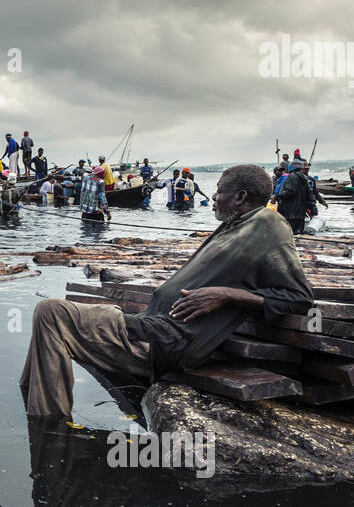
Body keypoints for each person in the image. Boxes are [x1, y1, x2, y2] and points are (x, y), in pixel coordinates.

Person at [20, 164, 313, 418]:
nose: (213, 196)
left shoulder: (267, 225)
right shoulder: (236, 225)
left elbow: (299, 299)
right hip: (153, 327)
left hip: (167, 341)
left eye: (220, 190)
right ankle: (33, 403)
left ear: (240, 197)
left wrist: (225, 295)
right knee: (49, 316)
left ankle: (48, 421)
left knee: (51, 312)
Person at [275, 161, 309, 233]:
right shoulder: (304, 179)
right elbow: (310, 195)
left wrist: (276, 196)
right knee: (298, 234)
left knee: (288, 234)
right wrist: (313, 210)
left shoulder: (291, 177)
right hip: (300, 214)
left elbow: (289, 192)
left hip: (290, 213)